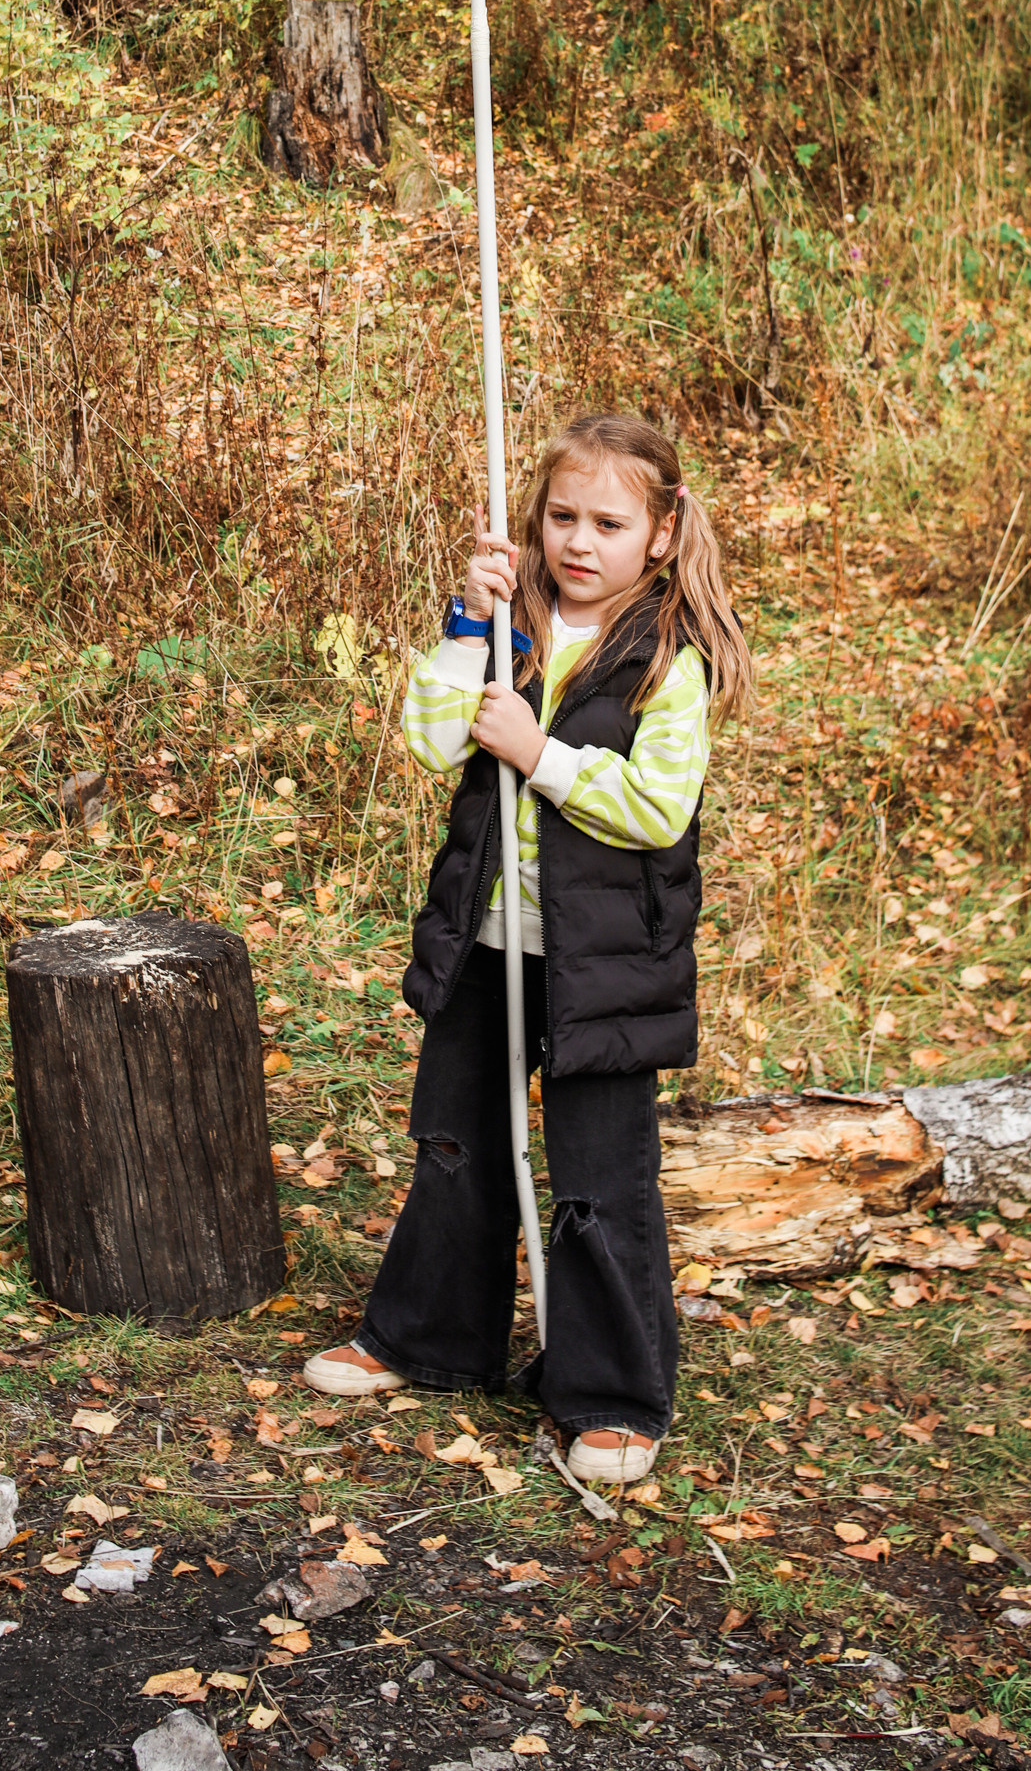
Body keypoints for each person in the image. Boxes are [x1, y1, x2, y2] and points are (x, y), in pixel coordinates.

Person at [302, 411, 751, 1483]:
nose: (578, 541)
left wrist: (538, 752)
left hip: (606, 964)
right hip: (487, 938)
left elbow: (656, 810)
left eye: (608, 523)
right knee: (456, 1146)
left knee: (599, 1178)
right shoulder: (514, 626)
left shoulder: (665, 660)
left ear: (660, 532)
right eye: (560, 517)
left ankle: (612, 1396)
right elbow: (430, 741)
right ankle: (428, 1337)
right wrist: (469, 623)